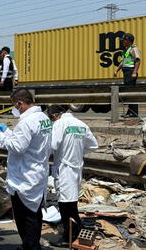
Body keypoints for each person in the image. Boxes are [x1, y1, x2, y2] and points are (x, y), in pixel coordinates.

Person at [0, 89, 52, 250]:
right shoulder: (42, 118)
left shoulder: (26, 122)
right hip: (37, 172)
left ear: (20, 103)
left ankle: (30, 246)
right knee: (34, 214)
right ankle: (30, 245)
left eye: (14, 106)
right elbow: (26, 141)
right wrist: (8, 131)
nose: (14, 109)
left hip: (25, 177)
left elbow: (17, 147)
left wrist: (0, 136)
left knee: (25, 217)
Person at [47, 105, 98, 247]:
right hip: (77, 169)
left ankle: (68, 238)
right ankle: (75, 233)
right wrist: (79, 151)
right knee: (72, 203)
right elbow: (93, 145)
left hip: (64, 169)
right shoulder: (81, 124)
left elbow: (53, 145)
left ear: (54, 116)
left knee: (65, 206)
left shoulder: (59, 124)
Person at [114, 33, 141, 118]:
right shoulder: (126, 50)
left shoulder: (134, 49)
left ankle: (134, 113)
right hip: (126, 73)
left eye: (124, 40)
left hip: (131, 72)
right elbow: (123, 62)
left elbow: (137, 61)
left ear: (128, 40)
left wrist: (134, 72)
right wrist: (117, 70)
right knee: (128, 93)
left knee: (131, 93)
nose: (123, 42)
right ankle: (130, 112)